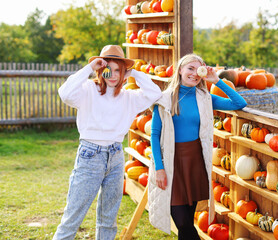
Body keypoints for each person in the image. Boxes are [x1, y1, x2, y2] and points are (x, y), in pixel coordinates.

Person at [53, 45, 162, 240]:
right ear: (100, 70)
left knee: (108, 220)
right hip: (90, 155)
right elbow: (64, 93)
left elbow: (155, 94)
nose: (113, 75)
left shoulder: (129, 97)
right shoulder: (88, 90)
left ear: (124, 72)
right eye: (108, 69)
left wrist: (135, 73)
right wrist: (88, 68)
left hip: (116, 156)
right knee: (73, 216)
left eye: (118, 70)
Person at [148, 53, 247, 239]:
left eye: (198, 69)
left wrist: (217, 80)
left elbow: (239, 104)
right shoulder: (165, 98)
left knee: (188, 221)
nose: (194, 74)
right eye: (190, 69)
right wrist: (159, 168)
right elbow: (154, 135)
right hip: (171, 162)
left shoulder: (205, 97)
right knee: (182, 222)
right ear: (180, 70)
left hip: (194, 161)